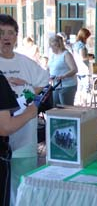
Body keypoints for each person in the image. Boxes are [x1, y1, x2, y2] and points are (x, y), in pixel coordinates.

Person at [0, 14, 49, 206]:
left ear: (16, 36)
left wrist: (23, 97)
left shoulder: (25, 62)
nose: (6, 37)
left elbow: (43, 83)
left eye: (10, 33)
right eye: (1, 33)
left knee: (24, 185)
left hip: (25, 136)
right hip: (4, 138)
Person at [0, 71, 37, 206]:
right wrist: (31, 113)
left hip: (22, 149)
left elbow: (31, 94)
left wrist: (26, 86)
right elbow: (5, 127)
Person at [48, 35, 78, 106]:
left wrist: (63, 76)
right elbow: (49, 67)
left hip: (67, 85)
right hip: (55, 85)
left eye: (51, 46)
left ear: (56, 45)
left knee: (65, 107)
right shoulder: (53, 55)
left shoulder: (66, 54)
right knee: (56, 106)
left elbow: (74, 69)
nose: (50, 48)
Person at [73, 28, 91, 106]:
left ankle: (79, 102)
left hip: (77, 69)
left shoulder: (75, 44)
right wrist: (90, 57)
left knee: (79, 88)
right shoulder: (81, 45)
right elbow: (83, 57)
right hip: (84, 69)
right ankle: (84, 103)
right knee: (85, 88)